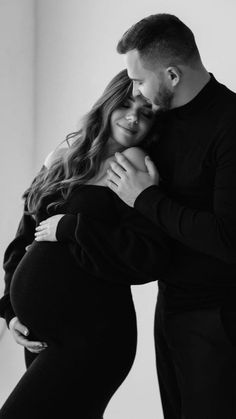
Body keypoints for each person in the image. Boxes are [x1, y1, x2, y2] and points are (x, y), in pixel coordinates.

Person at [0, 69, 170, 418]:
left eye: (146, 112)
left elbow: (144, 256)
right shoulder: (63, 155)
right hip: (44, 335)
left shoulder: (134, 164)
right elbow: (23, 239)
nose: (133, 117)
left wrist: (72, 228)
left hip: (93, 335)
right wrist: (11, 310)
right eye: (125, 104)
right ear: (107, 104)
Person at [103, 13, 236, 419]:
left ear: (173, 75)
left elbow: (228, 238)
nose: (135, 90)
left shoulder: (230, 125)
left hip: (219, 319)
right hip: (170, 307)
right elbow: (81, 172)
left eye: (140, 79)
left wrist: (146, 198)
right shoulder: (154, 119)